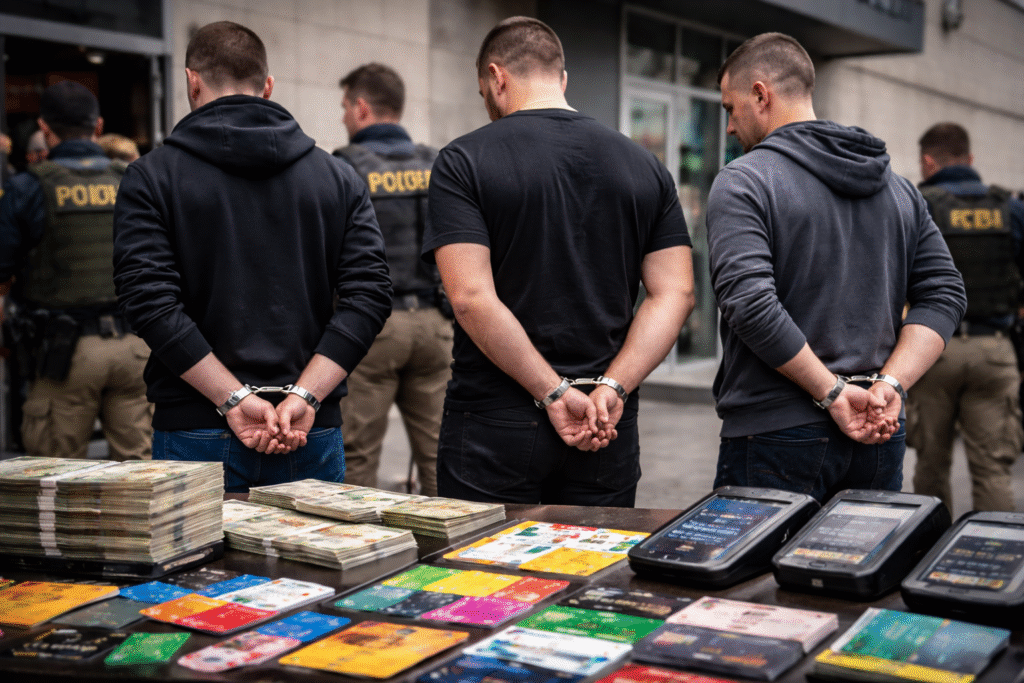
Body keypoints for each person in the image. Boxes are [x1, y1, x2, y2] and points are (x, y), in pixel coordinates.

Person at [423, 16, 696, 506]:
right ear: (562, 79)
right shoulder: (645, 166)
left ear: (496, 77)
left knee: (483, 580)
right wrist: (614, 387)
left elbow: (469, 297)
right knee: (594, 577)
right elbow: (674, 292)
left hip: (495, 423)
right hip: (604, 419)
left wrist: (552, 394)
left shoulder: (463, 160)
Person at [112, 21, 392, 492]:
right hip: (310, 425)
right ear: (267, 87)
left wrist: (234, 399)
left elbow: (150, 303)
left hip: (195, 428)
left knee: (200, 569)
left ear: (192, 81)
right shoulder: (338, 177)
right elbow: (369, 296)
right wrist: (306, 395)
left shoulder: (151, 177)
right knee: (315, 566)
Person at [708, 33, 967, 503]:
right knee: (856, 574)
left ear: (761, 95)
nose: (729, 126)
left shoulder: (745, 180)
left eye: (730, 107)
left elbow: (749, 304)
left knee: (753, 577)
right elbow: (945, 293)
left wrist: (832, 393)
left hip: (775, 435)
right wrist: (890, 385)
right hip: (876, 434)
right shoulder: (898, 188)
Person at [0, 81, 153, 461]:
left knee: (54, 479)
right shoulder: (133, 179)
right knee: (142, 480)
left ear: (45, 129)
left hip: (63, 354)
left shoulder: (28, 187)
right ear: (98, 126)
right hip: (137, 349)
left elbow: (2, 267)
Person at [333, 63, 451, 496]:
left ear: (362, 108)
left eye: (345, 107)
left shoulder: (344, 167)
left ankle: (356, 552)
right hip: (437, 324)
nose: (344, 117)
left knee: (357, 456)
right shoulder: (438, 163)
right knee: (441, 455)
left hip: (371, 330)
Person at [906, 123, 1024, 512]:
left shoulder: (919, 204)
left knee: (931, 463)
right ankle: (997, 562)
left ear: (927, 161)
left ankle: (924, 556)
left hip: (931, 350)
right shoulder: (1009, 207)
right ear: (970, 159)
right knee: (992, 470)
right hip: (994, 350)